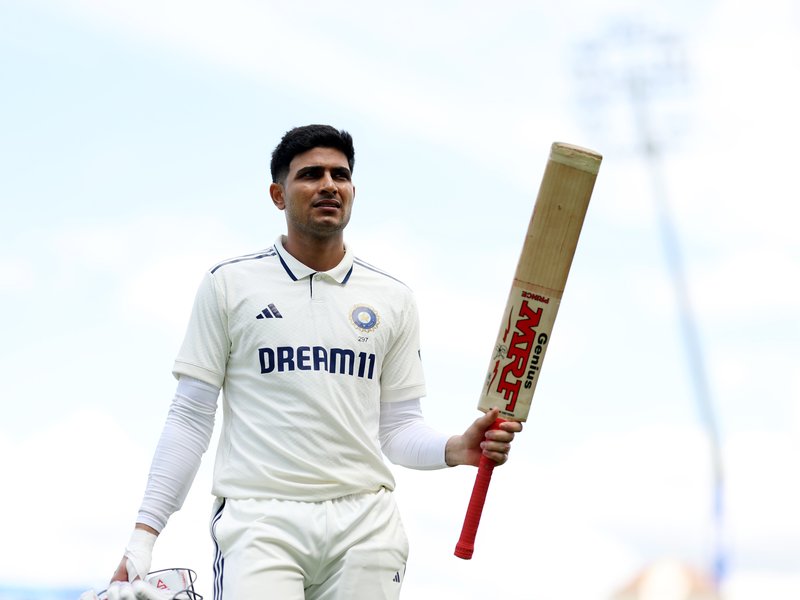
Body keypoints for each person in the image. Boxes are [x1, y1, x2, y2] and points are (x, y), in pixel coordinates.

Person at [104, 124, 522, 599]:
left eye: (339, 175)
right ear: (278, 195)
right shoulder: (229, 284)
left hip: (367, 526)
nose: (328, 185)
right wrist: (144, 535)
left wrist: (456, 449)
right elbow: (190, 417)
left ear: (352, 192)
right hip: (261, 520)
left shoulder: (393, 298)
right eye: (310, 175)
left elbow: (399, 428)